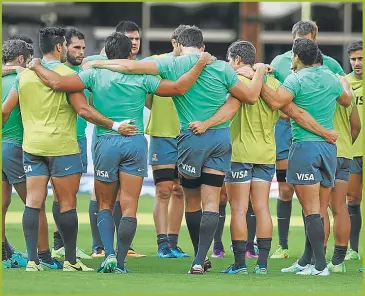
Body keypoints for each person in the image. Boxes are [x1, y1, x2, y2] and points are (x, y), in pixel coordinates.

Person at [85, 26, 270, 274]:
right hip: (220, 138)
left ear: (179, 46)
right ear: (203, 47)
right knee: (212, 202)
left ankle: (198, 258)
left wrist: (99, 65)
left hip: (191, 137)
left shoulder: (172, 64)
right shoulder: (222, 67)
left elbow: (129, 67)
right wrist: (258, 70)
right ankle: (201, 259)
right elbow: (249, 96)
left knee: (192, 203)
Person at [29, 32, 214, 273]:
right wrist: (199, 64)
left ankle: (109, 255)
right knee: (129, 206)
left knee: (105, 203)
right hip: (135, 142)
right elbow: (179, 88)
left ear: (106, 52)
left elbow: (56, 82)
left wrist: (36, 65)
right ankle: (122, 261)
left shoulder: (94, 74)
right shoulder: (141, 76)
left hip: (106, 141)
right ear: (130, 54)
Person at [190, 40, 340, 275]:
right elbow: (285, 113)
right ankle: (262, 264)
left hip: (240, 152)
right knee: (262, 208)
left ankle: (240, 264)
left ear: (237, 60)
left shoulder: (236, 82)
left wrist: (206, 124)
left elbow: (229, 110)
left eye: (230, 61)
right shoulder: (275, 83)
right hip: (267, 152)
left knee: (239, 209)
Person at [2, 27, 125, 272]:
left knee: (33, 202)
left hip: (32, 146)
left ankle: (32, 261)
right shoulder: (68, 75)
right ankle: (70, 260)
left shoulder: (23, 76)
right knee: (67, 204)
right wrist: (114, 124)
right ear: (60, 47)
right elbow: (83, 110)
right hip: (62, 147)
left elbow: (6, 110)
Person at [261, 38, 352, 276]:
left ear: (297, 57)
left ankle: (320, 266)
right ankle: (306, 261)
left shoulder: (296, 79)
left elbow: (274, 102)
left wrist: (259, 78)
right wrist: (344, 82)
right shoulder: (331, 77)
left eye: (293, 56)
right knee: (319, 209)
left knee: (310, 210)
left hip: (304, 147)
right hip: (329, 149)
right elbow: (345, 100)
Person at [144, 24, 190, 259]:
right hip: (162, 133)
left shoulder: (194, 64)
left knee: (181, 190)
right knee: (163, 190)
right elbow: (147, 98)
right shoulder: (156, 63)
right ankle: (162, 244)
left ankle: (173, 242)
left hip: (186, 135)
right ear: (174, 43)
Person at [316, 48, 361, 273]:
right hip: (344, 152)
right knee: (340, 207)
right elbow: (356, 126)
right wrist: (346, 145)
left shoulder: (316, 85)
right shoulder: (345, 86)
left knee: (320, 208)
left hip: (324, 151)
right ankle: (338, 262)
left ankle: (319, 260)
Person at [51, 27, 92, 261]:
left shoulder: (82, 70)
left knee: (68, 195)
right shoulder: (57, 72)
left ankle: (59, 245)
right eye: (76, 47)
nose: (81, 52)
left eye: (83, 48)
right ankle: (60, 246)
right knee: (62, 196)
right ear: (62, 46)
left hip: (78, 137)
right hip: (61, 140)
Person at [345, 40, 363, 261]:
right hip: (354, 151)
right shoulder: (344, 83)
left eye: (361, 58)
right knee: (353, 199)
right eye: (354, 59)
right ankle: (353, 249)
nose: (357, 63)